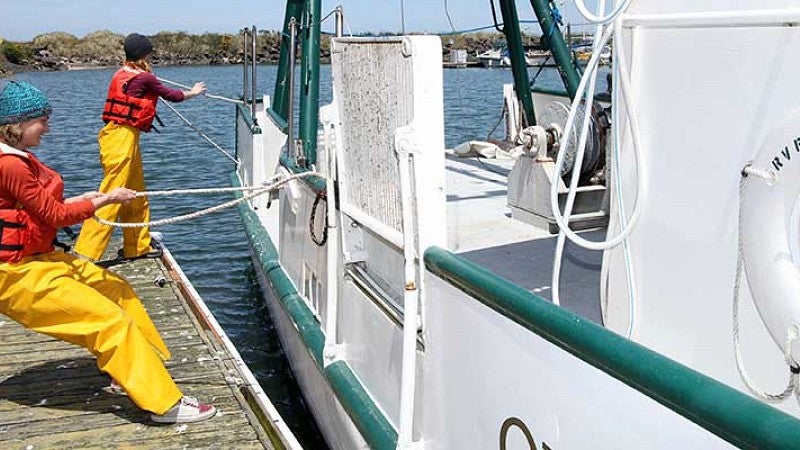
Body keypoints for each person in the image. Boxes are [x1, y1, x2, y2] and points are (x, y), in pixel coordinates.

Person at [0, 80, 215, 423]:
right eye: (43, 120)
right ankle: (163, 405)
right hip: (16, 274)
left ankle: (133, 368)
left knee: (116, 289)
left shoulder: (17, 159)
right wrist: (104, 200)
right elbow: (55, 216)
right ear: (19, 124)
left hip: (40, 259)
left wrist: (91, 198)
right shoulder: (9, 164)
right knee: (109, 322)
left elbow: (38, 210)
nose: (48, 127)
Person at [73, 33, 207, 261]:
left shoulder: (121, 73)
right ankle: (85, 252)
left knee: (135, 194)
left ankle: (137, 246)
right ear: (145, 54)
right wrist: (193, 92)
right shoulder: (146, 78)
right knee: (111, 195)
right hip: (122, 140)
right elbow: (172, 95)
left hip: (117, 136)